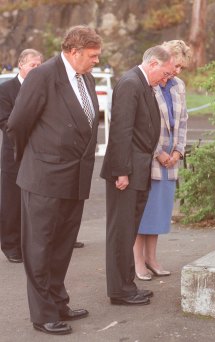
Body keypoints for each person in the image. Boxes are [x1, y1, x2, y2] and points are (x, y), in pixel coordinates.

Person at [7, 25, 102, 335]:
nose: (96, 61)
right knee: (39, 248)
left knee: (62, 247)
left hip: (75, 178)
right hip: (43, 178)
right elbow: (18, 123)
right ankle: (43, 314)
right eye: (92, 56)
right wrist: (35, 160)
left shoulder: (84, 76)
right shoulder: (43, 76)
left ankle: (58, 302)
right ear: (73, 52)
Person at [100, 45, 175, 306]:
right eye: (165, 73)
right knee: (121, 232)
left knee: (129, 230)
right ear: (153, 63)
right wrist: (121, 171)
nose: (166, 78)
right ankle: (120, 291)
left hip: (138, 168)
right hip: (127, 171)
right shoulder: (131, 83)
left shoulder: (144, 84)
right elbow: (121, 130)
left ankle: (126, 285)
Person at [133, 40, 191, 281]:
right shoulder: (148, 82)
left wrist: (178, 151)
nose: (177, 72)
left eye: (181, 68)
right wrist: (158, 152)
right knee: (142, 211)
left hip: (171, 159)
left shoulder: (178, 85)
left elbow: (183, 120)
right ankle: (137, 261)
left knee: (158, 211)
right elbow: (141, 124)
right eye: (175, 66)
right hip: (149, 157)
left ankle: (152, 258)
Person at [0, 49, 43, 263]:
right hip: (14, 154)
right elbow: (5, 122)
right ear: (20, 65)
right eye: (32, 65)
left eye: (39, 65)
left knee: (39, 200)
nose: (36, 69)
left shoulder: (43, 88)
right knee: (12, 201)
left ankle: (36, 243)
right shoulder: (5, 90)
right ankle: (11, 246)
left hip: (40, 155)